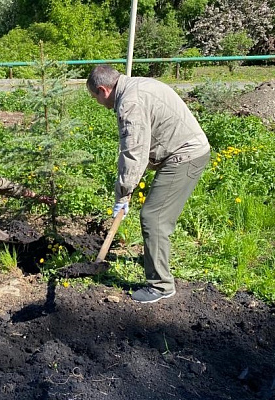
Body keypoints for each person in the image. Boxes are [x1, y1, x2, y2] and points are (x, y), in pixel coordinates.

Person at [86, 65, 210, 303]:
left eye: (95, 98)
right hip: (180, 150)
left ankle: (160, 286)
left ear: (103, 90)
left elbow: (134, 153)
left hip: (185, 155)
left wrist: (122, 195)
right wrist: (129, 186)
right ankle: (156, 264)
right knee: (155, 215)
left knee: (154, 217)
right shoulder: (136, 85)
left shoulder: (129, 103)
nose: (98, 103)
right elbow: (141, 146)